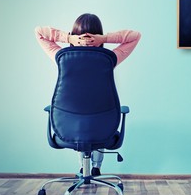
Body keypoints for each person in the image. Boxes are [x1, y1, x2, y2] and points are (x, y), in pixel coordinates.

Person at [35, 13, 141, 176]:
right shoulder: (109, 59)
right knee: (98, 121)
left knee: (80, 121)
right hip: (103, 129)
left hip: (68, 130)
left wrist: (68, 39)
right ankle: (96, 167)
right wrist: (103, 39)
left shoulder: (62, 58)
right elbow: (135, 36)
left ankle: (83, 168)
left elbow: (40, 32)